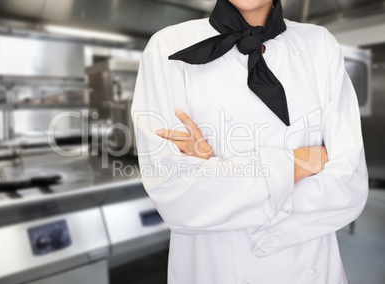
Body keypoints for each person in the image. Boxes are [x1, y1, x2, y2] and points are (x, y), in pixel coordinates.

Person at [131, 0, 369, 283]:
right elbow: (177, 199)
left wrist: (218, 175)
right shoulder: (167, 46)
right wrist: (294, 164)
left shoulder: (320, 45)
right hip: (214, 270)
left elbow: (349, 186)